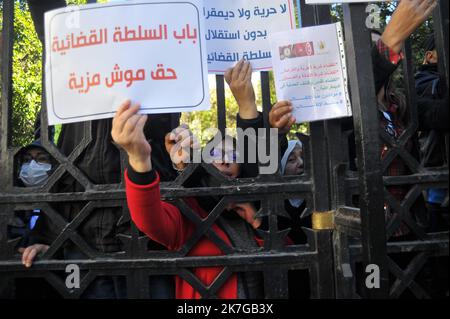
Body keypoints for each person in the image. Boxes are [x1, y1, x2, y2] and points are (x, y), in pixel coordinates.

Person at [22, 0, 179, 299]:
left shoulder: (160, 76)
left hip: (148, 240)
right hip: (80, 239)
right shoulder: (75, 74)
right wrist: (47, 235)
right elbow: (66, 165)